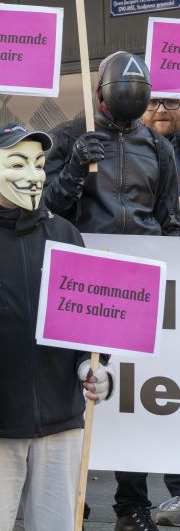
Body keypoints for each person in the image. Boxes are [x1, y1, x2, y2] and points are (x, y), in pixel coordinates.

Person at [0, 123, 114, 531]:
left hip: (60, 422)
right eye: (18, 163)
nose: (33, 174)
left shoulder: (65, 234)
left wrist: (92, 366)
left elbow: (87, 323)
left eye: (38, 164)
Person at [43, 52, 180, 531]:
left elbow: (165, 217)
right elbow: (50, 207)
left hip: (138, 278)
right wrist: (76, 166)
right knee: (76, 385)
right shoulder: (69, 137)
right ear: (100, 90)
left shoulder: (158, 149)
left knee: (132, 392)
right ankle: (71, 498)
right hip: (82, 277)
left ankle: (131, 505)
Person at [139, 97, 180, 527]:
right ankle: (130, 504)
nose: (162, 109)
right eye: (153, 102)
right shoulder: (129, 146)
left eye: (172, 100)